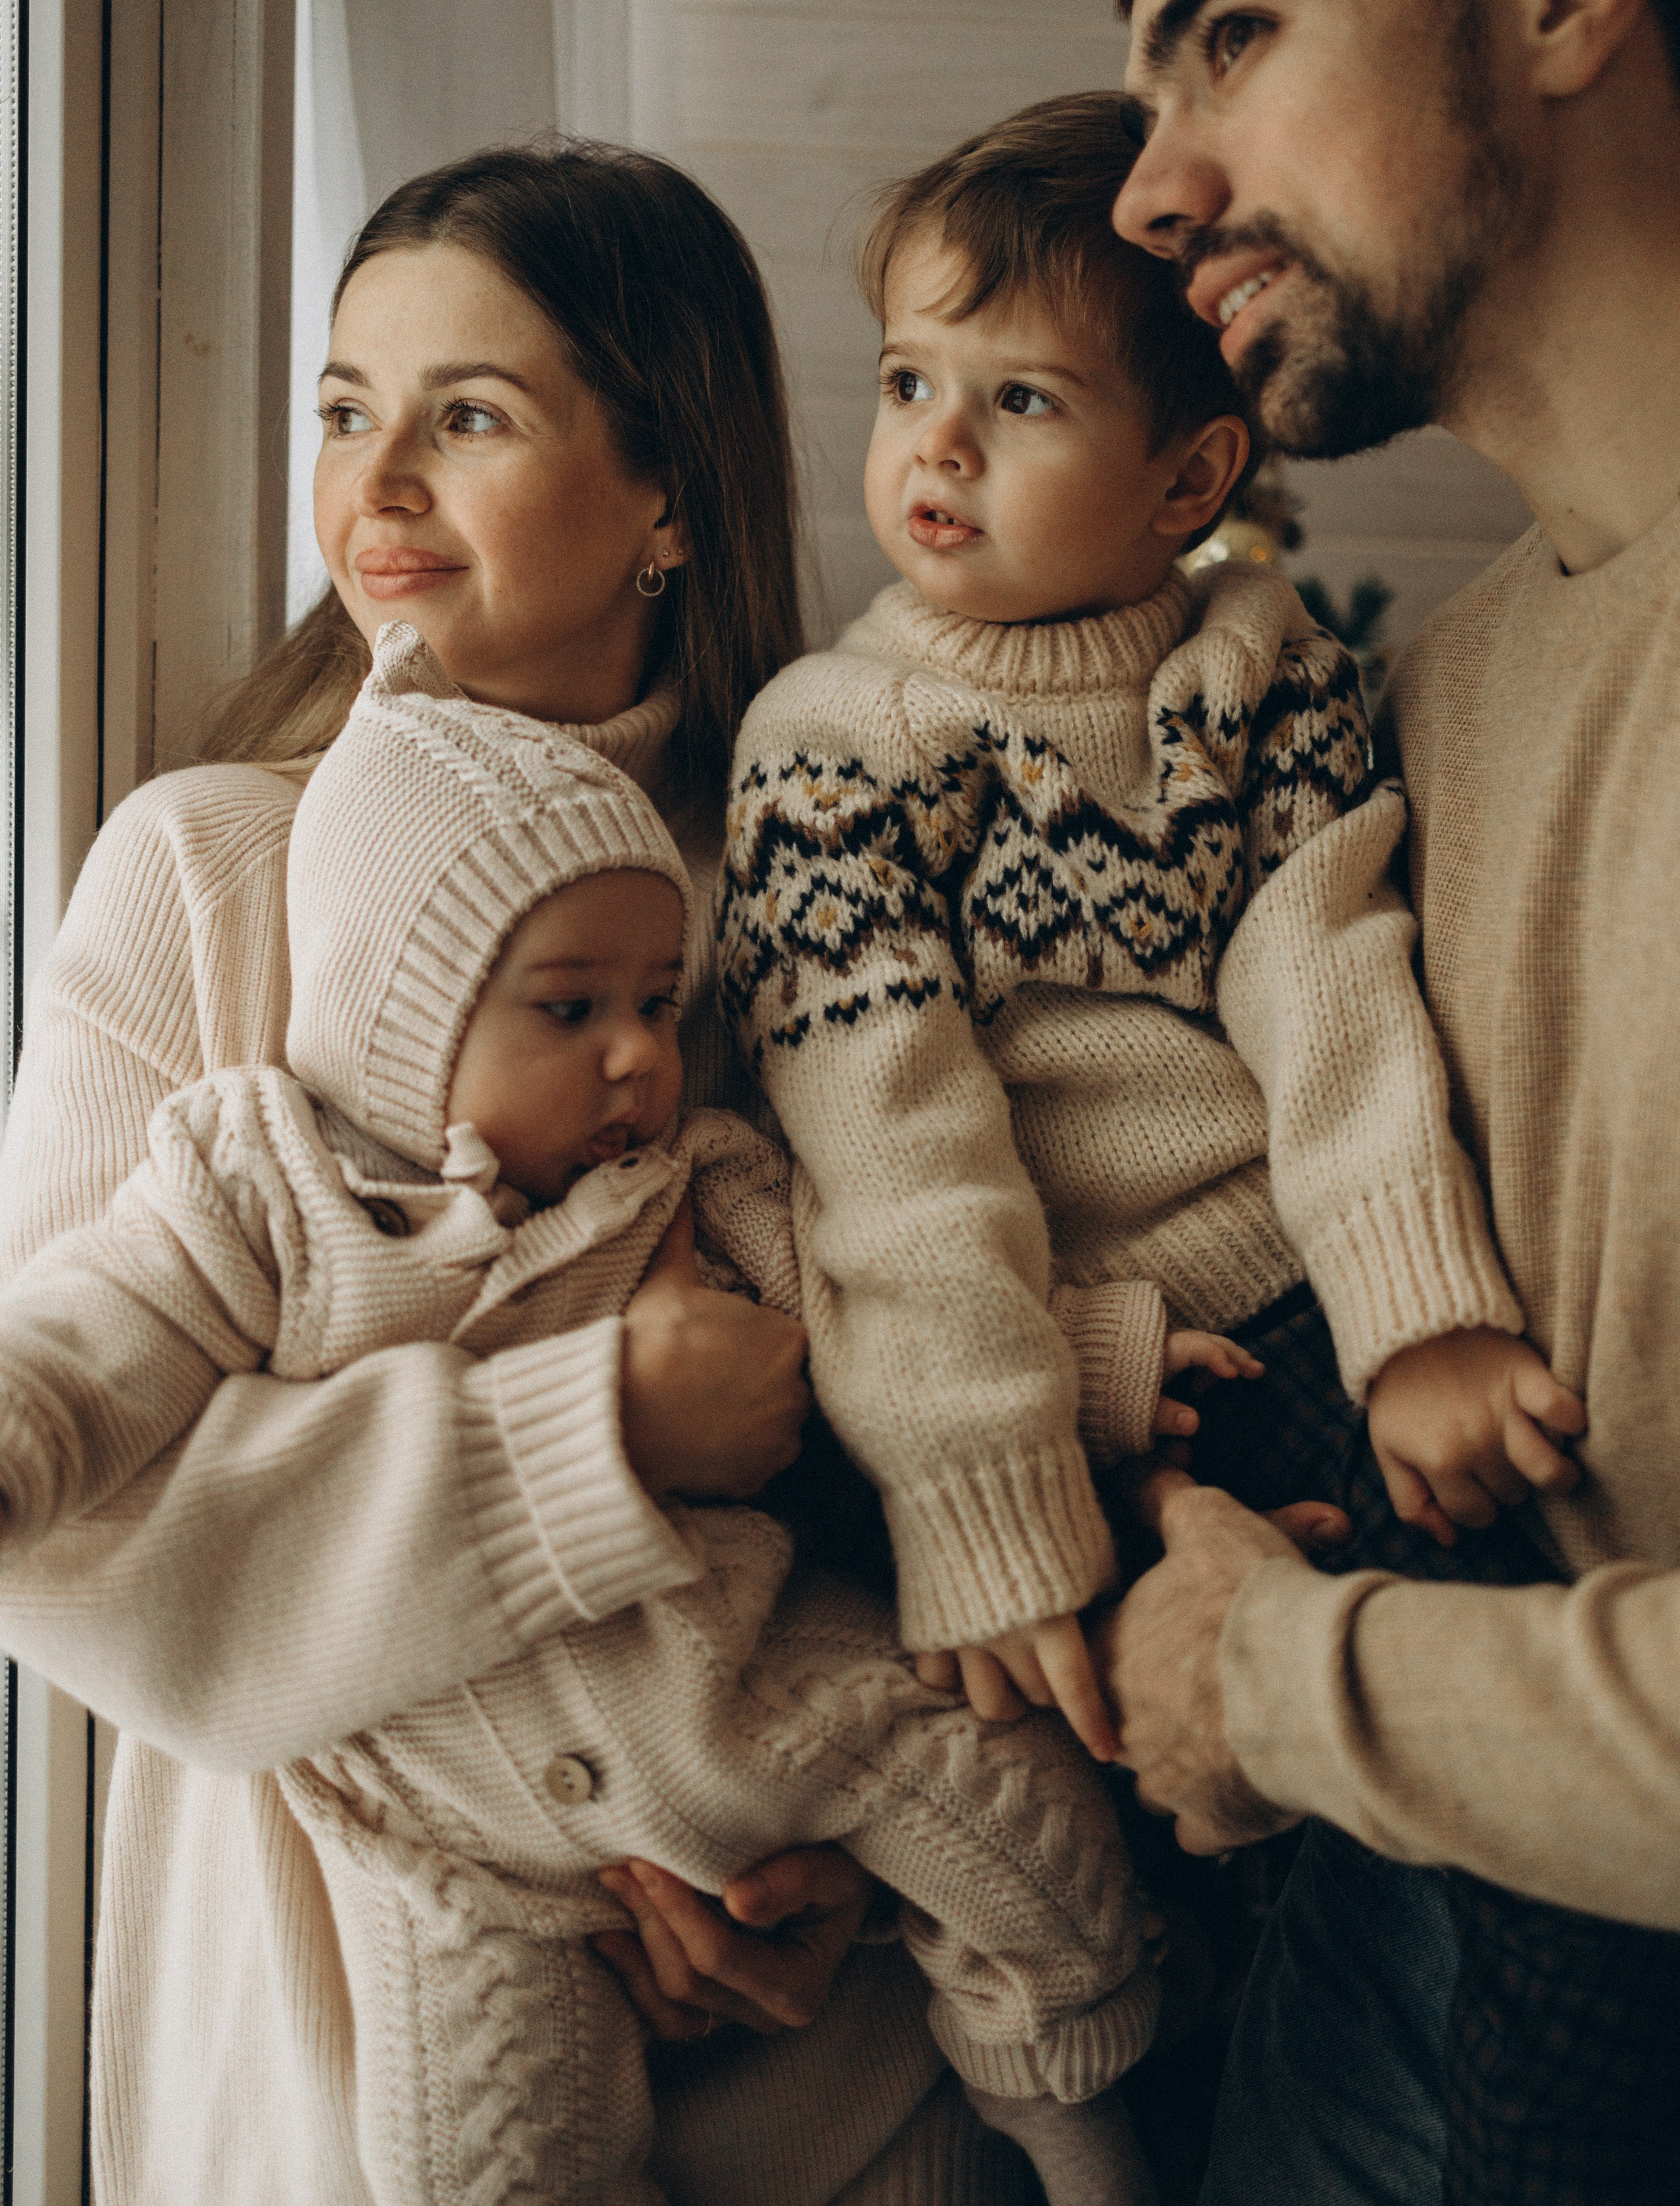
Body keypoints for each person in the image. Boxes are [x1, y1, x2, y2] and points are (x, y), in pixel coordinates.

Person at [0, 140, 1028, 2204]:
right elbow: (67, 1534)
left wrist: (825, 1865)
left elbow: (938, 1412)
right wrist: (594, 1436)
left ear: (669, 498)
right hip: (347, 2038)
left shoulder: (843, 881)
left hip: (845, 2084)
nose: (375, 487)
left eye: (466, 418)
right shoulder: (204, 872)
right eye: (345, 412)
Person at [0, 618, 1166, 2206]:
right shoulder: (258, 1187)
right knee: (476, 2160)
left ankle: (1076, 2137)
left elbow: (871, 1325)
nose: (637, 1056)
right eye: (569, 1012)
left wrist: (1099, 1370)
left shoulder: (686, 1174)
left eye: (658, 1005)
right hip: (444, 1839)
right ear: (407, 1027)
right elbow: (92, 1346)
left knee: (1032, 1839)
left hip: (732, 1689)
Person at [1101, 0, 1680, 2203]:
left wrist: (1280, 1679)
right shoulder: (1420, 703)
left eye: (1234, 35)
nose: (1154, 191)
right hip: (1380, 1938)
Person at [716, 92, 1546, 1770]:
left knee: (1489, 1659)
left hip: (1298, 1300)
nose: (937, 446)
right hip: (1054, 1367)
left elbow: (1328, 974)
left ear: (1188, 476)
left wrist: (1418, 1313)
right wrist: (985, 1490)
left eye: (1018, 399)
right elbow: (889, 1147)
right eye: (907, 383)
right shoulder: (830, 746)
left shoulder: (1267, 673)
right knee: (1188, 1772)